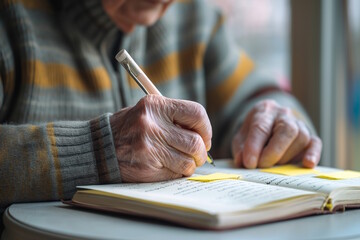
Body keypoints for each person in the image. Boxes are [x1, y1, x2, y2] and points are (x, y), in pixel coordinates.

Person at [0, 0, 322, 231]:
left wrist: (275, 121)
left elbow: (261, 96)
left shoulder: (195, 19)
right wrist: (99, 149)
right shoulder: (11, 20)